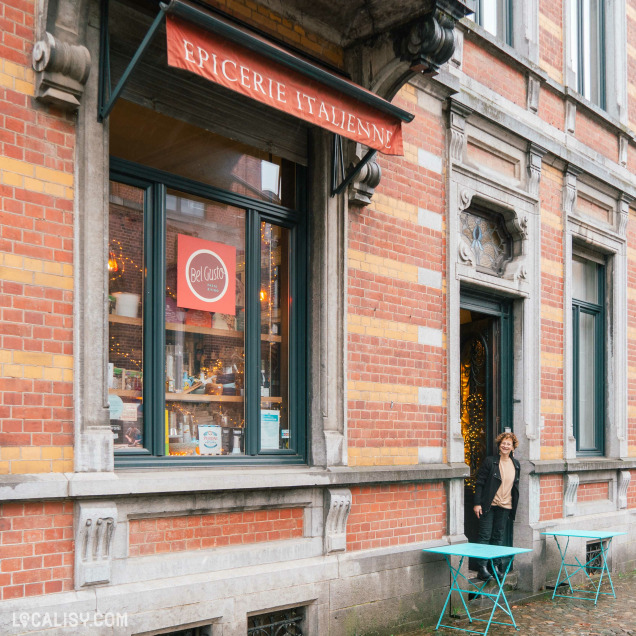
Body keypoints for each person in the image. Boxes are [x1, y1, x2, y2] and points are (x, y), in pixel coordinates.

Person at [473, 431, 520, 581]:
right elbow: (479, 483)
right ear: (499, 446)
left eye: (509, 444)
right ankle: (482, 568)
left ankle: (495, 567)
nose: (506, 446)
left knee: (498, 537)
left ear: (513, 447)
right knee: (485, 536)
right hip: (489, 505)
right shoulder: (491, 461)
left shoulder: (516, 464)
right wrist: (477, 503)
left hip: (506, 506)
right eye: (503, 443)